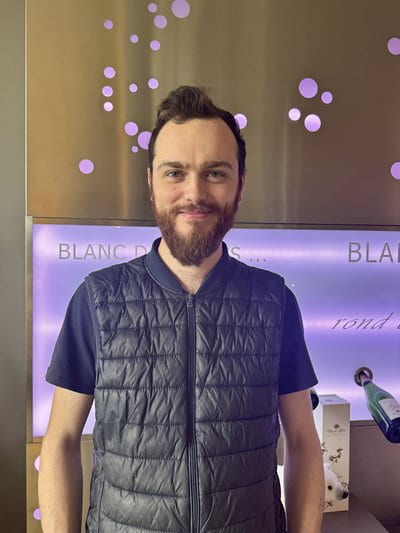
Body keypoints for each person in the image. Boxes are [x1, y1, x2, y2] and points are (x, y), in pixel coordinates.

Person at [39, 86, 324, 533]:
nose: (195, 192)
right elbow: (60, 441)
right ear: (151, 182)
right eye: (175, 172)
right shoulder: (97, 299)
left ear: (240, 185)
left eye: (215, 172)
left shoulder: (274, 301)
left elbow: (304, 442)